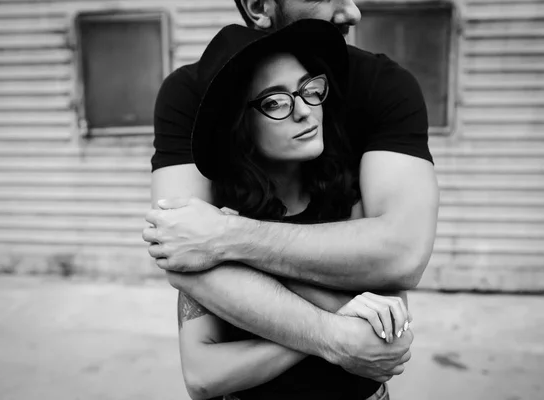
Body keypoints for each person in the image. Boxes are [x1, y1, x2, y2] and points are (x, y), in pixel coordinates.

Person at [144, 0, 438, 393]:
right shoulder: (221, 213)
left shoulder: (344, 203)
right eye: (276, 102)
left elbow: (393, 323)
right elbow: (201, 375)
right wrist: (333, 332)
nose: (304, 111)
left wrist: (229, 240)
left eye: (311, 89)